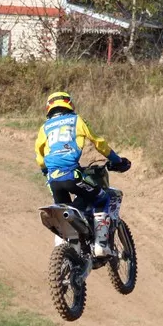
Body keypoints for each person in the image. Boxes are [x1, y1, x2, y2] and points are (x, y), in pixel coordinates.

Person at [35, 91, 132, 257]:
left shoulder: (45, 127)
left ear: (49, 107)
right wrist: (116, 160)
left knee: (64, 212)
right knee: (103, 198)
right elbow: (98, 142)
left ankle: (65, 251)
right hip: (72, 175)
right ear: (69, 103)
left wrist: (46, 171)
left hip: (53, 180)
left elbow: (39, 156)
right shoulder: (76, 120)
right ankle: (101, 244)